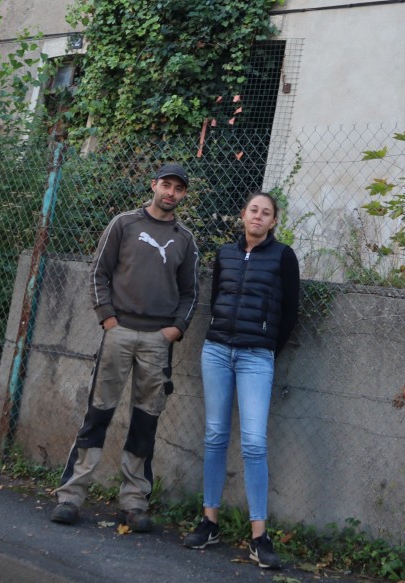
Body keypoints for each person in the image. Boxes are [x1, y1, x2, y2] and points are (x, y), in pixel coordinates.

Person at [50, 163, 199, 532]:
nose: (171, 193)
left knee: (146, 421)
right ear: (154, 185)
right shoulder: (124, 224)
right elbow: (98, 272)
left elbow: (191, 292)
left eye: (178, 189)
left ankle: (133, 502)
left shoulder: (185, 239)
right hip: (118, 332)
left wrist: (175, 330)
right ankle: (71, 496)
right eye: (166, 185)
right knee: (98, 413)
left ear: (183, 195)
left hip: (157, 341)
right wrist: (108, 318)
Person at [182, 191, 300, 569]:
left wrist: (265, 347)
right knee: (215, 435)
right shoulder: (225, 254)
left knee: (253, 442)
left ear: (274, 221)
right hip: (217, 351)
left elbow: (291, 311)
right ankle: (209, 521)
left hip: (256, 357)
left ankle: (259, 537)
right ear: (243, 214)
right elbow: (217, 297)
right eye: (253, 210)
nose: (258, 216)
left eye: (266, 213)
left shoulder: (283, 257)